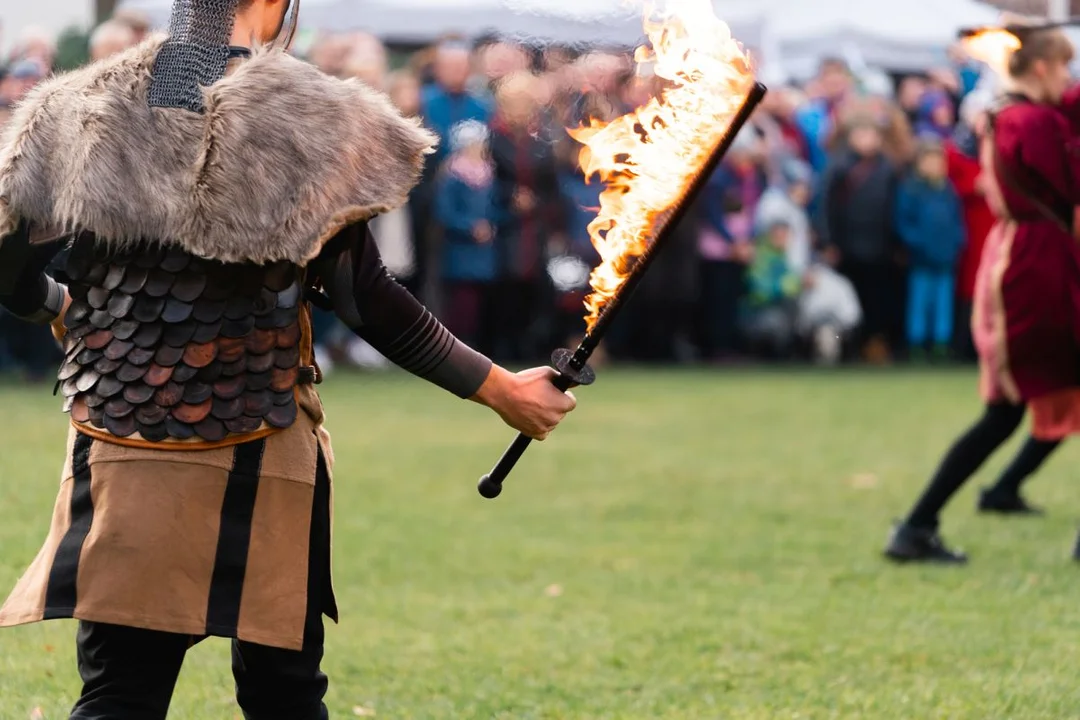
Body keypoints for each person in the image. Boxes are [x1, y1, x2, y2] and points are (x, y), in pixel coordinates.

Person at [0, 1, 577, 717]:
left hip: (123, 440)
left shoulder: (72, 108)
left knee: (121, 695)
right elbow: (362, 297)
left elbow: (8, 266)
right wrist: (497, 387)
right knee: (284, 697)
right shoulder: (315, 115)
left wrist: (58, 306)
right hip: (264, 445)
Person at [884, 26, 1079, 564]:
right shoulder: (1031, 119)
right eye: (1062, 67)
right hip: (1036, 270)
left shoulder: (1011, 112)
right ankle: (918, 526)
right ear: (1040, 69)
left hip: (1033, 260)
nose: (1067, 79)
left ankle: (919, 526)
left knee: (1006, 414)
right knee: (1004, 413)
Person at [895, 137, 966, 362]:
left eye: (939, 161)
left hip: (945, 258)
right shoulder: (912, 189)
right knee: (920, 302)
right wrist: (919, 244)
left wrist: (957, 243)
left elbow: (957, 222)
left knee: (942, 302)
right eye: (930, 160)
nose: (935, 165)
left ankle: (940, 342)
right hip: (922, 258)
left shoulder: (948, 190)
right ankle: (916, 342)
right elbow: (904, 222)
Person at [434, 119, 498, 355]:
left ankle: (474, 346)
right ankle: (459, 348)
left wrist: (493, 223)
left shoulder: (488, 173)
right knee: (462, 301)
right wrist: (470, 227)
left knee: (479, 302)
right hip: (460, 250)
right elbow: (445, 213)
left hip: (484, 251)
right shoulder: (452, 175)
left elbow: (493, 207)